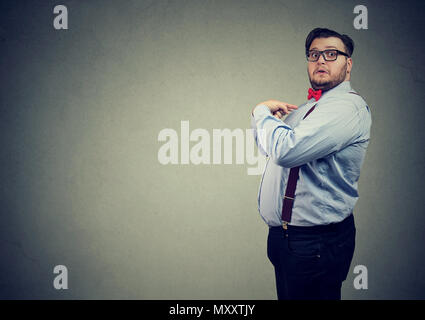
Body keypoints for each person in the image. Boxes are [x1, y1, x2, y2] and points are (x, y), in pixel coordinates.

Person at [250, 27, 372, 300]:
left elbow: (284, 150)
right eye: (314, 54)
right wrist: (263, 121)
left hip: (315, 243)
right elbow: (266, 147)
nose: (321, 60)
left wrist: (261, 111)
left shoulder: (346, 108)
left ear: (348, 63)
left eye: (331, 54)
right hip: (288, 240)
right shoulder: (308, 110)